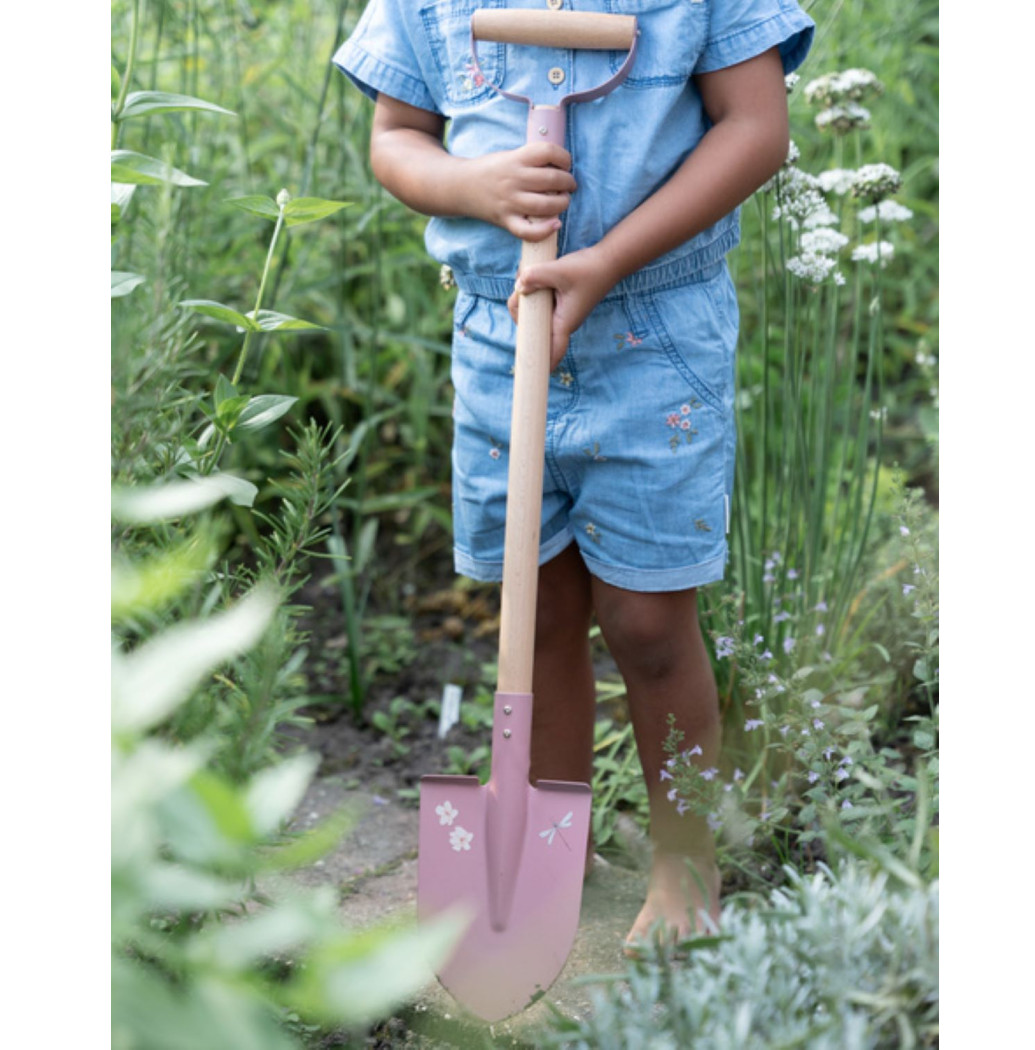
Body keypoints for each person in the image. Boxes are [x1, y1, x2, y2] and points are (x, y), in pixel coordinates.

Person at [333, 0, 814, 950]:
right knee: (535, 602)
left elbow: (757, 129)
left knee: (648, 621)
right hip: (498, 334)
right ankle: (551, 844)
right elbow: (397, 138)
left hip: (653, 336)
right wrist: (473, 185)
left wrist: (601, 262)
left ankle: (686, 860)